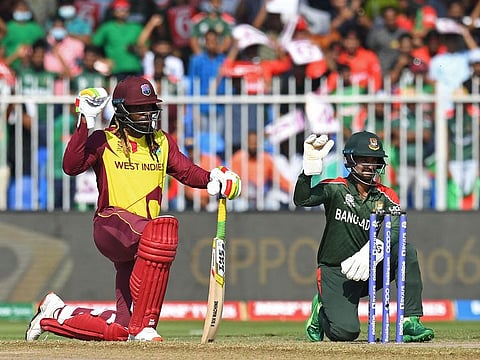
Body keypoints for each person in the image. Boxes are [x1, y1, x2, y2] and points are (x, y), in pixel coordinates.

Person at [25, 76, 241, 342]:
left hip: (142, 245)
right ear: (122, 111)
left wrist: (214, 178)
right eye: (140, 109)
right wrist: (85, 122)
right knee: (162, 231)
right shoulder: (104, 139)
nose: (148, 115)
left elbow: (187, 172)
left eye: (151, 108)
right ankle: (145, 326)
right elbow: (71, 166)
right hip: (110, 225)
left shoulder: (161, 142)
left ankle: (54, 314)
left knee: (120, 331)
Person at [294, 131, 434, 343]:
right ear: (351, 160)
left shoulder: (385, 195)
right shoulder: (336, 188)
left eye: (375, 160)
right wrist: (307, 172)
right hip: (335, 272)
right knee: (345, 333)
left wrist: (374, 248)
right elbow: (302, 200)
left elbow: (396, 229)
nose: (370, 165)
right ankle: (321, 309)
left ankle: (409, 321)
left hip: (369, 266)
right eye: (364, 160)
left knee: (406, 250)